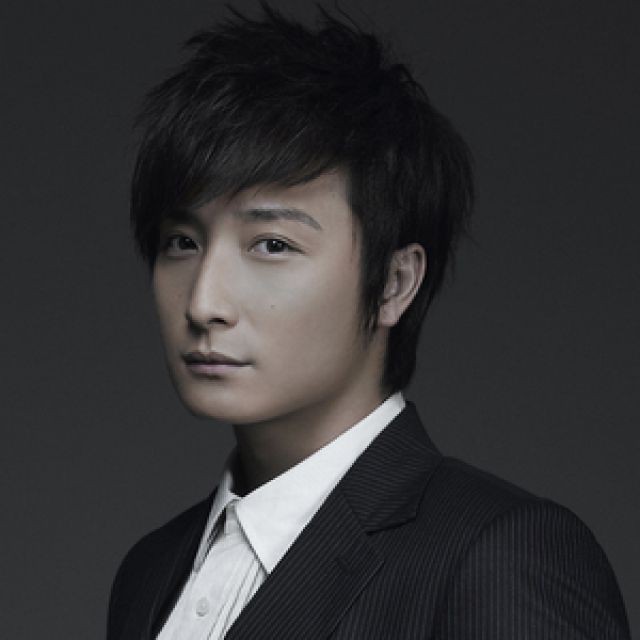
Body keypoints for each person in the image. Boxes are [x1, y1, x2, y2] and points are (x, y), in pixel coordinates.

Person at [107, 3, 631, 639]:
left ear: (394, 282)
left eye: (272, 244)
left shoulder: (500, 554)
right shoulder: (150, 571)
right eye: (182, 242)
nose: (203, 303)